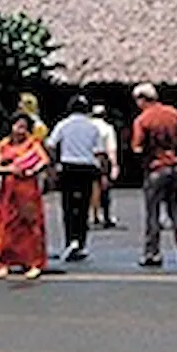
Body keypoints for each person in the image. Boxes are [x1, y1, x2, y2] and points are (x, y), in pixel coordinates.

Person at [130, 83, 177, 268]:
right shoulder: (173, 114)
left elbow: (137, 147)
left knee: (153, 212)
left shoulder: (143, 120)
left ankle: (153, 252)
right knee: (176, 210)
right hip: (175, 167)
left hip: (156, 168)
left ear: (143, 99)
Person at [0, 113, 50, 280]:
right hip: (9, 191)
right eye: (17, 126)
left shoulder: (32, 144)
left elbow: (43, 160)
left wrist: (31, 170)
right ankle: (3, 262)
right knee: (7, 225)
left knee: (30, 225)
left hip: (28, 190)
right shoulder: (4, 144)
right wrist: (11, 169)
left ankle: (34, 263)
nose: (20, 130)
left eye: (23, 127)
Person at [46, 95, 107, 262]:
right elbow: (100, 152)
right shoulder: (93, 127)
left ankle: (69, 240)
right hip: (87, 168)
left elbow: (50, 144)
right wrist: (103, 173)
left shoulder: (63, 124)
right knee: (83, 206)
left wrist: (53, 164)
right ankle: (81, 242)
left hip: (68, 167)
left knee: (68, 206)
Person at [89, 104, 120, 229]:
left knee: (90, 188)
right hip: (101, 158)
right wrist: (114, 165)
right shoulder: (107, 128)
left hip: (88, 158)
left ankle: (93, 215)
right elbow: (111, 148)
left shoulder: (87, 127)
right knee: (104, 188)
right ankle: (105, 215)